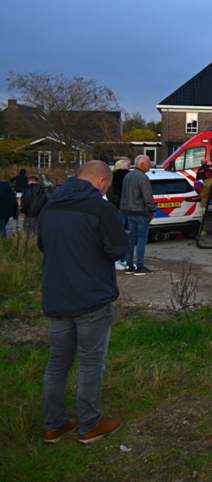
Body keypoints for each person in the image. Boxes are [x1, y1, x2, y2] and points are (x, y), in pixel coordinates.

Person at [38, 160, 128, 445]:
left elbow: (43, 244)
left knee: (57, 364)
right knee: (91, 363)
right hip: (91, 297)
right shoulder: (100, 208)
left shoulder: (50, 205)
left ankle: (54, 425)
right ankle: (89, 425)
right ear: (102, 182)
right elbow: (117, 249)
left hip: (55, 295)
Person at [120, 156, 156, 275]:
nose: (150, 165)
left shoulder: (128, 176)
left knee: (131, 238)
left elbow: (124, 194)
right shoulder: (142, 177)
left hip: (129, 212)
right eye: (149, 163)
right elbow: (147, 196)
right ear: (142, 164)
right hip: (141, 212)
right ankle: (140, 266)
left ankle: (130, 265)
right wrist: (152, 209)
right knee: (141, 239)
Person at [107, 159, 131, 271]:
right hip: (120, 210)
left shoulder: (114, 177)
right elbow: (111, 195)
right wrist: (123, 202)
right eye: (129, 166)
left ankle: (122, 259)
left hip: (122, 209)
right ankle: (118, 260)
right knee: (120, 235)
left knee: (122, 235)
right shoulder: (119, 178)